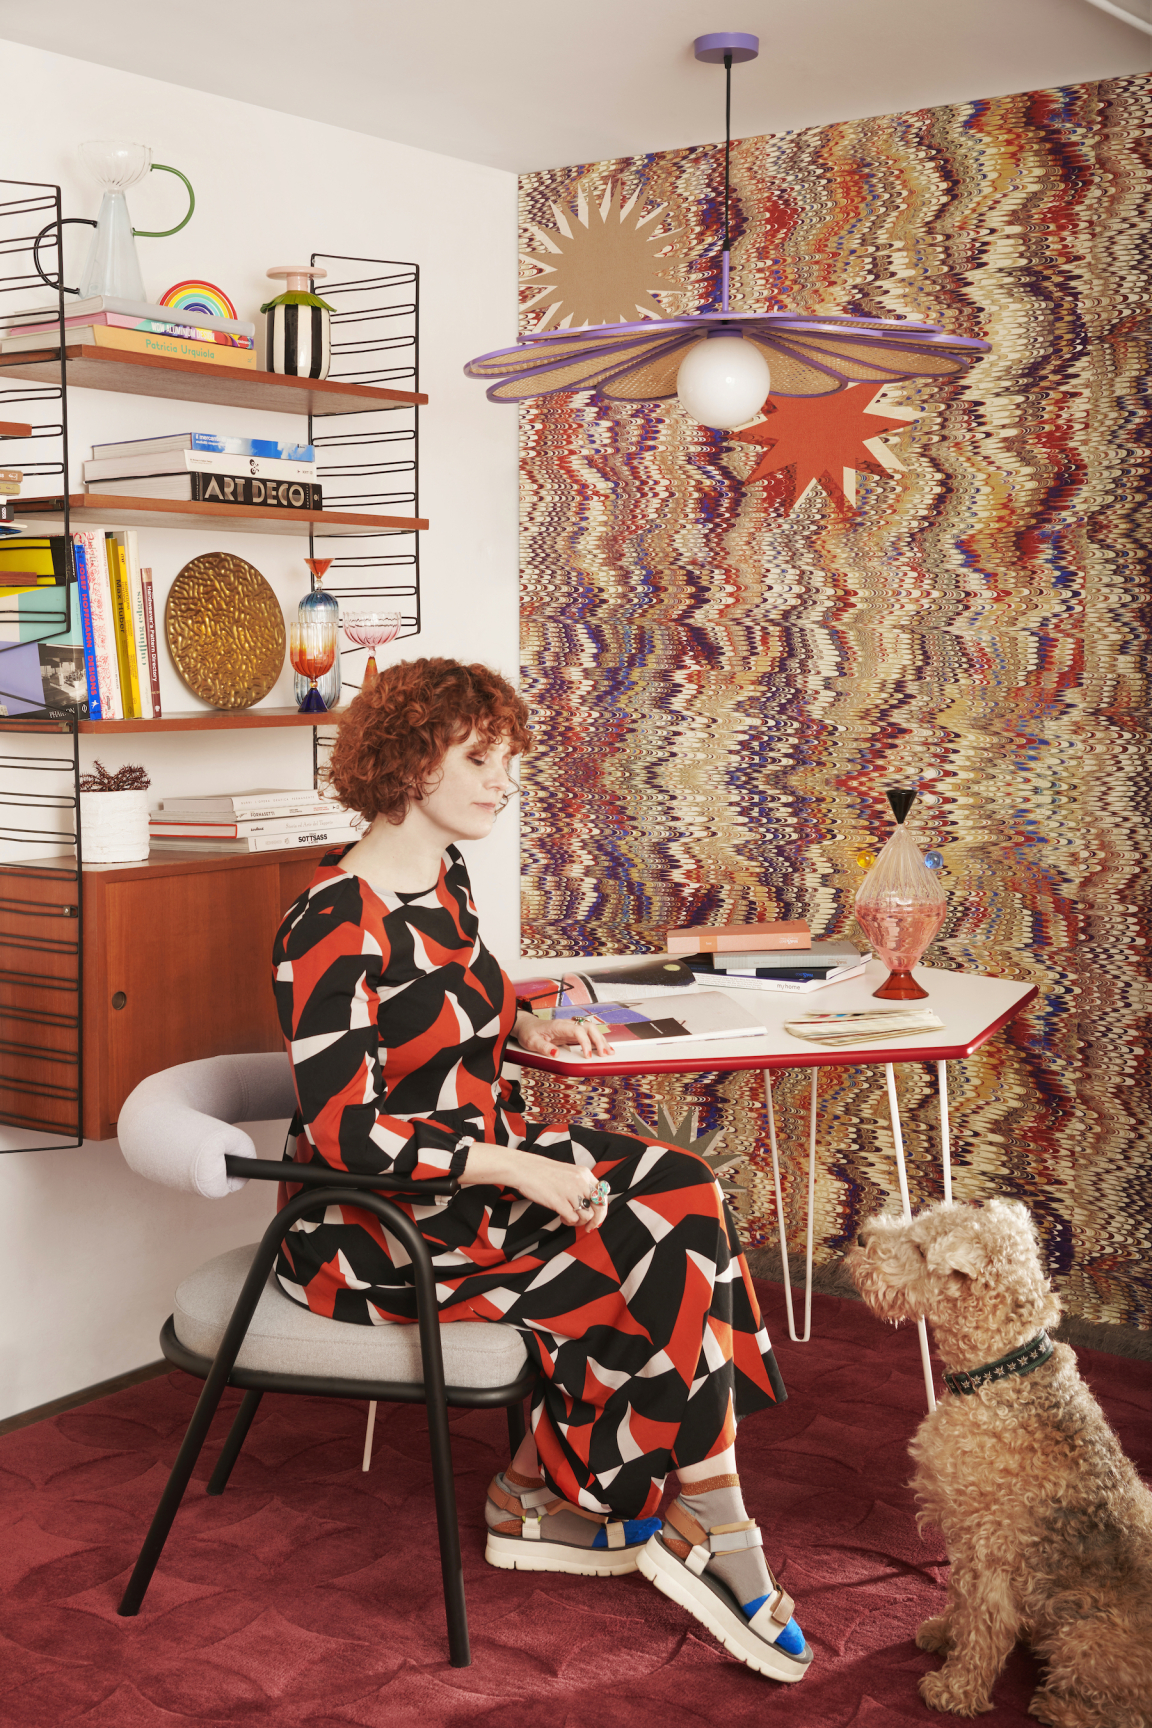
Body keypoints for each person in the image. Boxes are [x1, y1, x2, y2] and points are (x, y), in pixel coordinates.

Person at [271, 657, 811, 1685]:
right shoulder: (330, 921)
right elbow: (349, 1134)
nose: (502, 780)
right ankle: (664, 1515)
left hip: (481, 1177)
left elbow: (457, 999)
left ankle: (595, 1496)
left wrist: (530, 1015)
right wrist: (513, 1166)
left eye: (508, 759)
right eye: (479, 759)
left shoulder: (446, 878)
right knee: (647, 1246)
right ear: (407, 761)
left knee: (684, 1189)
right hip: (381, 1222)